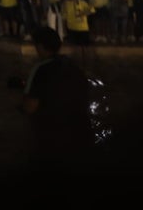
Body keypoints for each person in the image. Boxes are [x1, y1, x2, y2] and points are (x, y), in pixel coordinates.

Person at [21, 26, 95, 175]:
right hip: (79, 133)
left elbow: (30, 107)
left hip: (54, 137)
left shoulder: (40, 70)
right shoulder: (75, 68)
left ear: (40, 47)